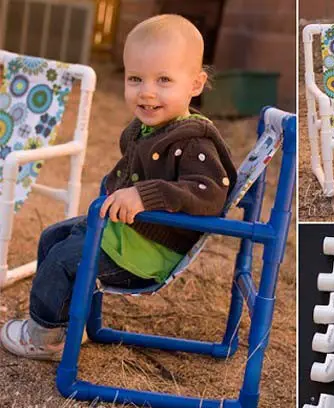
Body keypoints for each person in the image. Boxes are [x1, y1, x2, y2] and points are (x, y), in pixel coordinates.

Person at [0, 14, 237, 360]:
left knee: (64, 261)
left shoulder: (194, 142)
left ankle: (45, 336)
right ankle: (66, 322)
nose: (147, 92)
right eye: (136, 78)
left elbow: (210, 193)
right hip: (123, 232)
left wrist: (144, 195)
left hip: (147, 251)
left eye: (164, 80)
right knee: (52, 237)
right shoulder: (150, 128)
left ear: (196, 84)